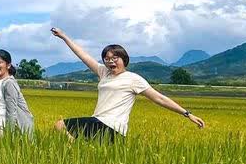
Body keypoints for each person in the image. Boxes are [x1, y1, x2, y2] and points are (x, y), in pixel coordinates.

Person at [50, 27, 205, 140]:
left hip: (109, 125)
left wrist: (187, 114)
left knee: (60, 125)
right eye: (107, 58)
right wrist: (64, 37)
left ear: (124, 59)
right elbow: (82, 55)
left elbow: (159, 98)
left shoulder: (133, 79)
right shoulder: (103, 72)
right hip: (102, 124)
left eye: (115, 58)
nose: (110, 61)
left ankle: (76, 150)